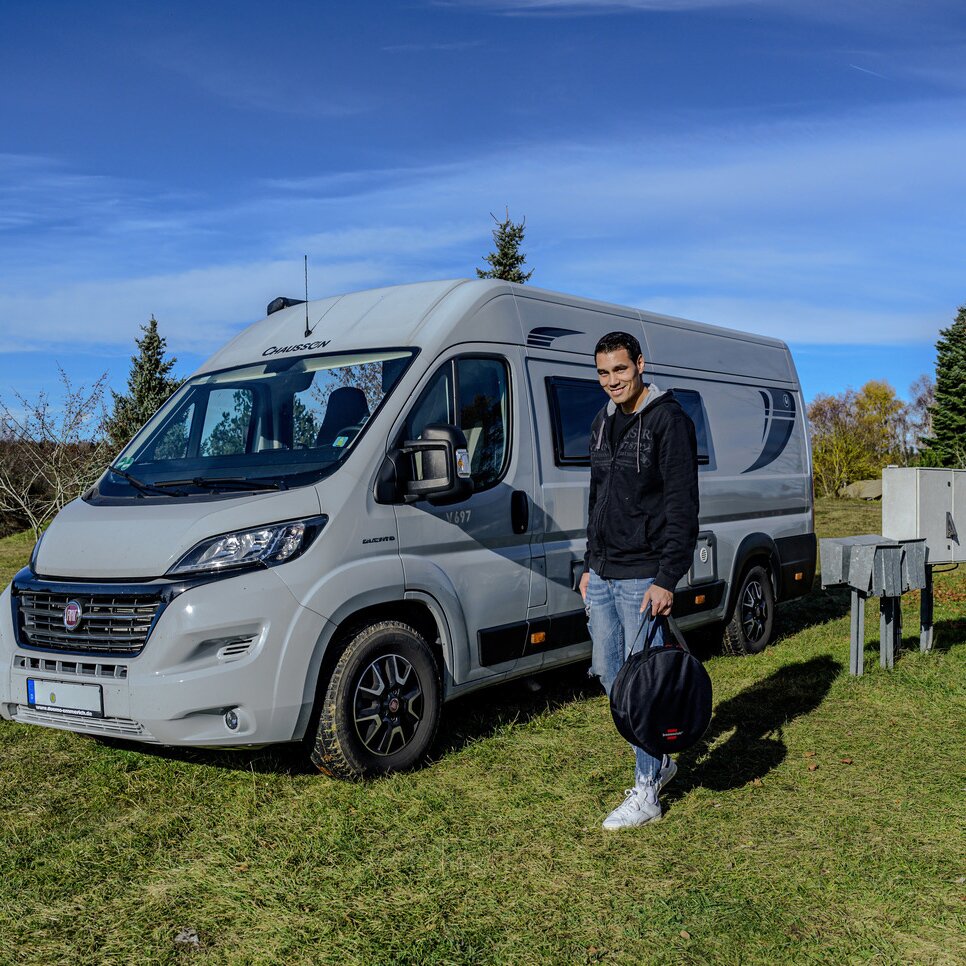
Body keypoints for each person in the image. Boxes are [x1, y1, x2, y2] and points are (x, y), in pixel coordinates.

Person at [579, 330, 699, 830]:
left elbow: (682, 507)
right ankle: (663, 760)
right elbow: (597, 498)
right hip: (604, 575)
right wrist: (588, 565)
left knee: (643, 688)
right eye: (604, 372)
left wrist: (668, 578)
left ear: (641, 365)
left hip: (643, 576)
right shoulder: (602, 424)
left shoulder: (669, 421)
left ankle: (647, 791)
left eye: (621, 370)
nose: (612, 381)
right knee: (612, 678)